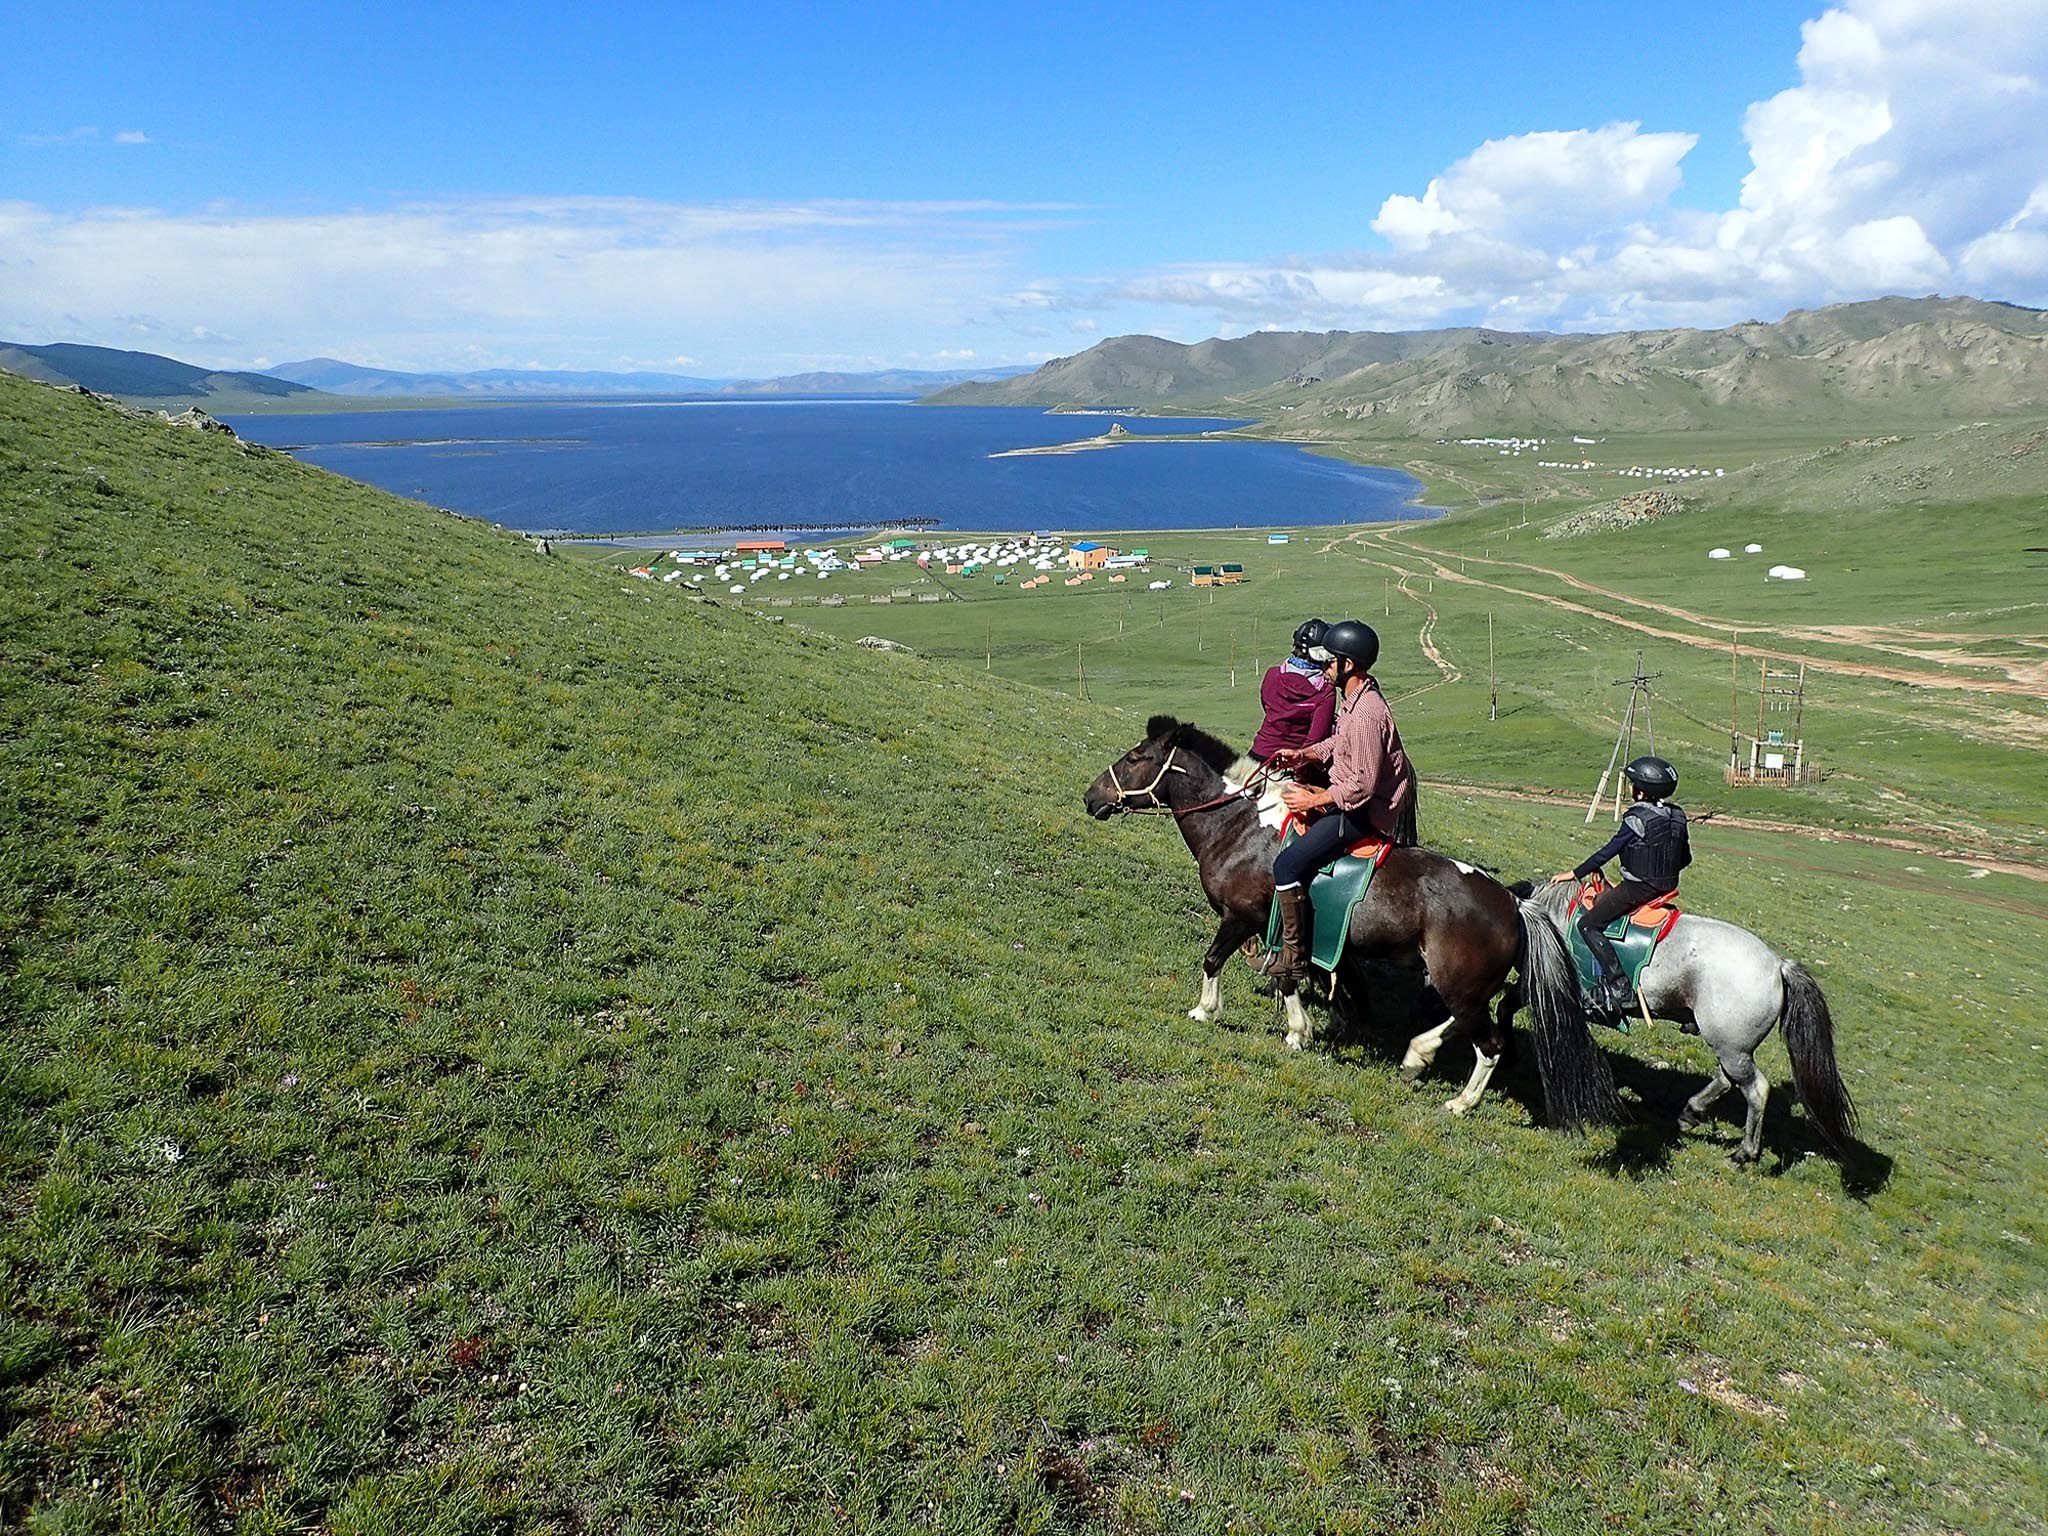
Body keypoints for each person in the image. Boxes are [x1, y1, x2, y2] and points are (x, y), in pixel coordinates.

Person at [1263, 619, 1418, 984]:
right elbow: (1340, 742)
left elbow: (1361, 787)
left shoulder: (1365, 715)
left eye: (1330, 660)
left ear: (1348, 664)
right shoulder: (1357, 698)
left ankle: (1294, 958)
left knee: (1286, 865)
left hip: (1361, 814)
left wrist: (1314, 798)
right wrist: (1304, 754)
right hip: (1350, 799)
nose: (1325, 666)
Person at [1549, 756, 1691, 1014]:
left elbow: (1608, 852)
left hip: (1639, 889)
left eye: (1633, 784)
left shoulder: (1637, 818)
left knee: (1588, 924)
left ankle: (1619, 987)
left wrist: (1574, 873)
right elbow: (1685, 858)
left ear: (1641, 791)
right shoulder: (1678, 816)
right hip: (1667, 887)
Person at [1249, 618, 1336, 763]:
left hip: (1258, 755)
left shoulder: (1272, 675)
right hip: (1294, 761)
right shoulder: (1325, 691)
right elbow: (1316, 739)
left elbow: (1267, 707)